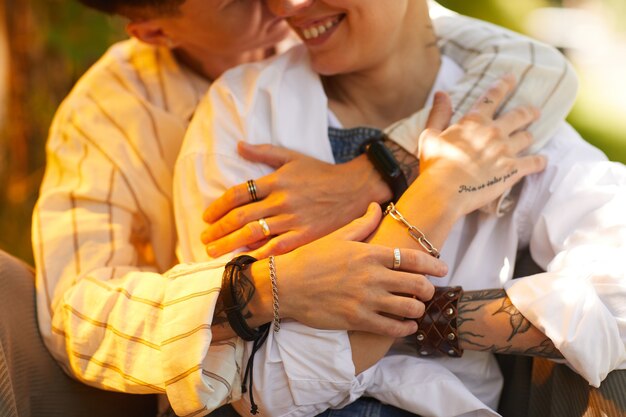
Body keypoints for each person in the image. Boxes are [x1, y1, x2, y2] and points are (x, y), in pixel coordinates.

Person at [33, 0, 576, 416]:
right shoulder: (111, 111)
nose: (282, 4)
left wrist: (374, 172)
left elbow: (532, 66)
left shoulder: (344, 28)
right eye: (235, 1)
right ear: (157, 32)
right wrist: (261, 289)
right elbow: (77, 315)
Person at [174, 0, 626, 416]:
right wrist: (439, 191)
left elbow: (620, 293)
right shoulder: (247, 110)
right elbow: (262, 387)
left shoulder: (506, 122)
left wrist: (435, 316)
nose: (287, 6)